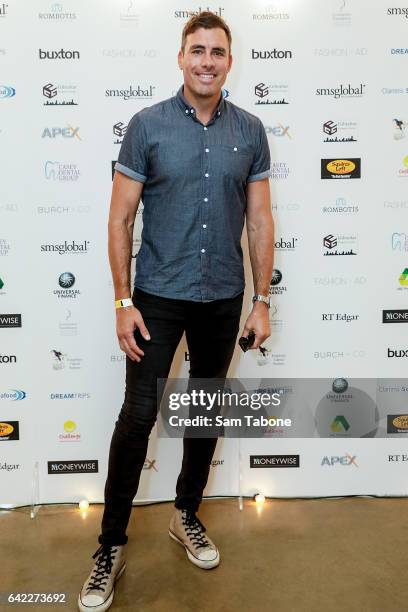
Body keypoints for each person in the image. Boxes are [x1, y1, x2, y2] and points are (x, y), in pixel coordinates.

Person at [78, 11, 274, 612]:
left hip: (223, 296)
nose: (207, 61)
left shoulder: (251, 129)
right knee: (138, 417)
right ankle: (109, 546)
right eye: (197, 50)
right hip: (157, 298)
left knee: (205, 411)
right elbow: (119, 218)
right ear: (181, 56)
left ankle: (185, 513)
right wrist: (122, 299)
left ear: (229, 60)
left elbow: (262, 220)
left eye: (217, 51)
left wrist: (262, 299)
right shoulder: (147, 126)